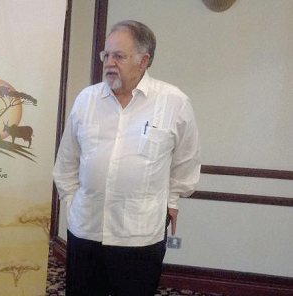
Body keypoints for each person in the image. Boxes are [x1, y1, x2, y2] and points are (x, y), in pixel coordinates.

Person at [53, 20, 200, 296]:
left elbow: (186, 164)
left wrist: (172, 202)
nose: (109, 62)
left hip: (139, 237)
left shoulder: (173, 102)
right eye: (106, 55)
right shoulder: (86, 100)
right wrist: (72, 206)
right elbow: (66, 163)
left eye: (119, 56)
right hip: (86, 232)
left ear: (144, 61)